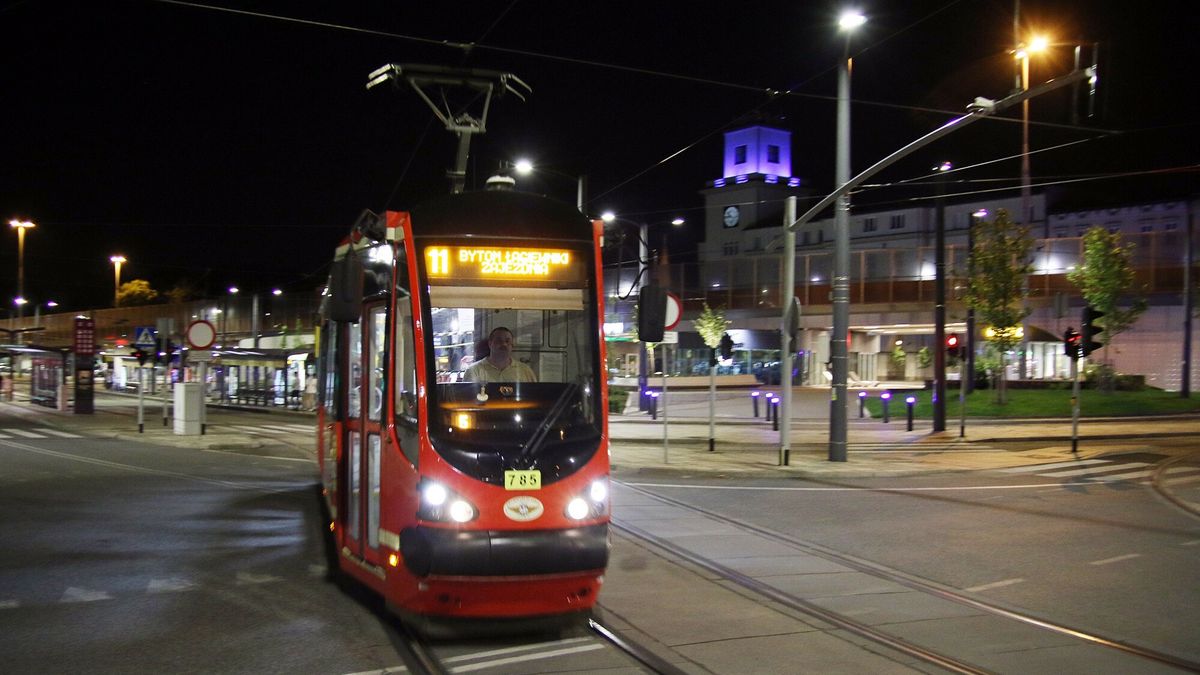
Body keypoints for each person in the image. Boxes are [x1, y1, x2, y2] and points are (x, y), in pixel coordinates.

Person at [463, 327, 536, 383]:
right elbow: (466, 397)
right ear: (490, 344)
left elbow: (535, 396)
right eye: (499, 341)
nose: (504, 344)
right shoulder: (474, 371)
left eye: (507, 341)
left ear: (512, 345)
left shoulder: (525, 371)